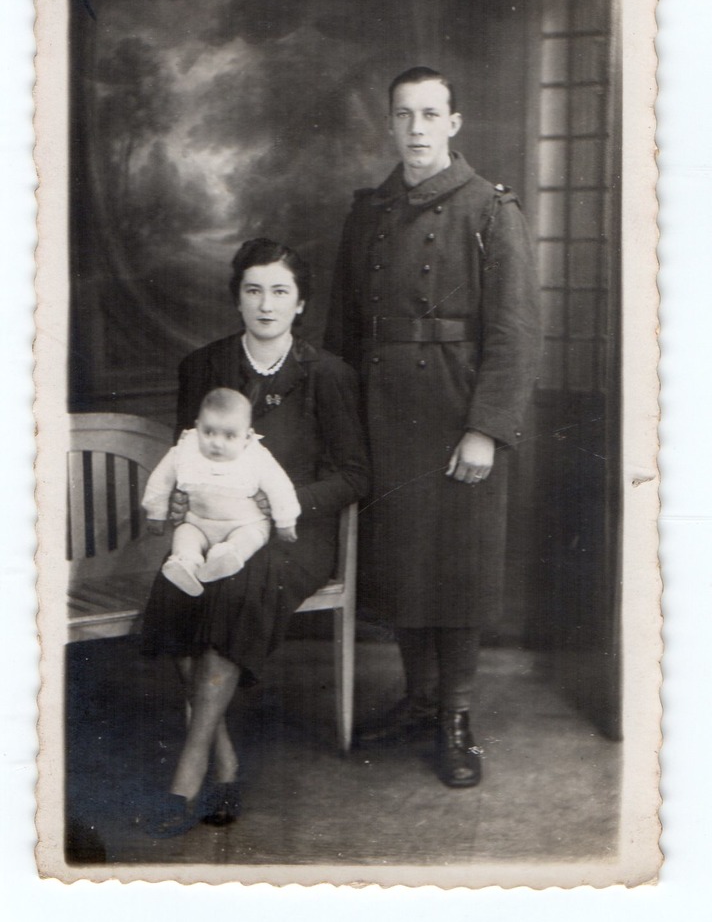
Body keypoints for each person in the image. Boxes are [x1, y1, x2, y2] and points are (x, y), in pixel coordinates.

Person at [324, 66, 540, 789]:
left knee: (459, 567)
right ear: (389, 124)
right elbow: (342, 330)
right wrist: (345, 423)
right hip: (385, 415)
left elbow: (515, 334)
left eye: (430, 114)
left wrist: (486, 429)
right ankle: (418, 700)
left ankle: (455, 714)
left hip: (457, 410)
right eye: (403, 115)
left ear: (454, 123)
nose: (416, 128)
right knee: (406, 566)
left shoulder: (489, 210)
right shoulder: (368, 212)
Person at [141, 238, 370, 837]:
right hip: (212, 525)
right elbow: (184, 452)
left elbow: (355, 474)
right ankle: (225, 762)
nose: (265, 304)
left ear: (300, 305)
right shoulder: (204, 367)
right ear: (236, 297)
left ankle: (189, 769)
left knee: (236, 586)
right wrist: (184, 498)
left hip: (296, 537)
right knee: (179, 589)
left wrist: (287, 502)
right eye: (253, 289)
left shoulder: (329, 375)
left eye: (280, 292)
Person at [142, 387, 301, 598]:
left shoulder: (256, 457)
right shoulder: (184, 452)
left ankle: (228, 557)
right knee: (185, 534)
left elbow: (280, 487)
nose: (217, 443)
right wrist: (156, 513)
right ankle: (185, 565)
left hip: (244, 524)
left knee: (251, 536)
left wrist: (286, 520)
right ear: (197, 427)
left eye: (229, 435)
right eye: (208, 432)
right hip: (198, 523)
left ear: (247, 436)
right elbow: (159, 482)